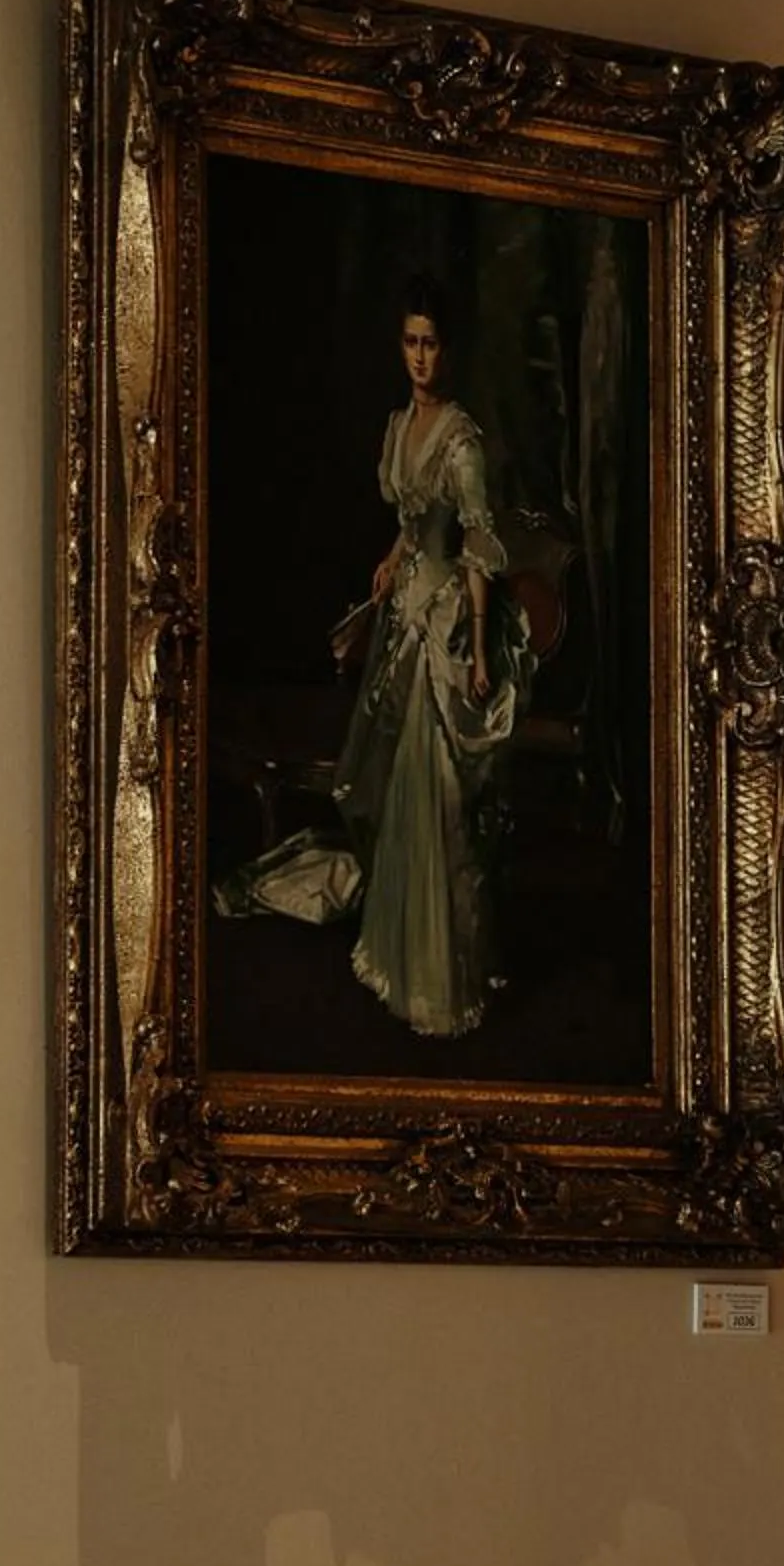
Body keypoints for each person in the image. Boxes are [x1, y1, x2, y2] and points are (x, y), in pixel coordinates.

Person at [219, 281, 531, 1035]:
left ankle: (439, 975)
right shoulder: (399, 426)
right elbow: (413, 523)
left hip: (446, 626)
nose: (421, 357)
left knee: (437, 798)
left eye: (431, 343)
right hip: (402, 615)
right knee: (393, 788)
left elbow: (478, 549)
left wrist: (481, 651)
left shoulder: (462, 441)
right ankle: (391, 948)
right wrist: (392, 561)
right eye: (411, 343)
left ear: (448, 350)